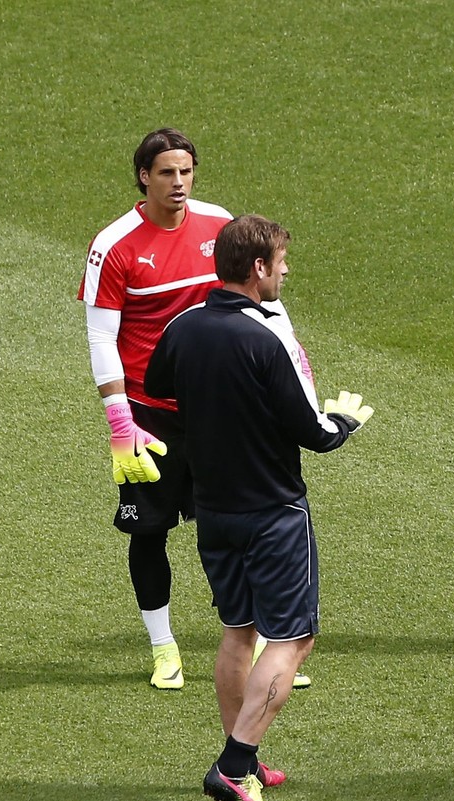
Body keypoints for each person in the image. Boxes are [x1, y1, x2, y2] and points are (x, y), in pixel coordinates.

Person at [143, 214, 374, 801]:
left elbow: (158, 383)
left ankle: (243, 758)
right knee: (294, 638)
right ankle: (235, 763)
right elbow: (316, 434)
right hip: (272, 512)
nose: (286, 270)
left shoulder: (183, 326)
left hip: (213, 510)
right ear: (258, 269)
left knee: (238, 630)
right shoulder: (268, 337)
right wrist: (344, 423)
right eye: (281, 260)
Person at [78, 128, 312, 691]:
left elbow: (258, 304)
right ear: (143, 177)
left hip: (218, 408)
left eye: (185, 171)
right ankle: (164, 648)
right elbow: (101, 337)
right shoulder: (115, 246)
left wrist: (293, 365)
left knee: (235, 520)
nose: (178, 183)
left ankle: (256, 645)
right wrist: (119, 420)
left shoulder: (218, 224)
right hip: (149, 415)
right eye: (166, 173)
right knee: (149, 530)